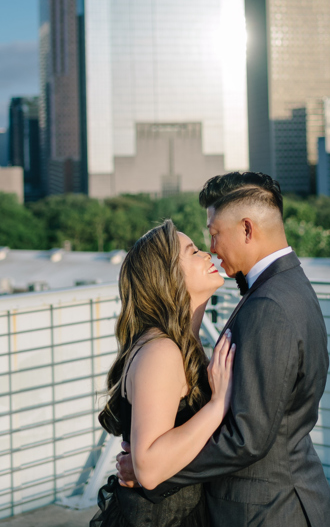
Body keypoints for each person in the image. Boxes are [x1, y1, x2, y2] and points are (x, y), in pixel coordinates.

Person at [117, 172, 330, 526]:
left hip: (270, 510)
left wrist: (150, 473)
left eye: (214, 233)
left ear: (247, 229)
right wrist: (150, 466)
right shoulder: (285, 287)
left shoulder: (270, 306)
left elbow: (248, 438)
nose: (212, 248)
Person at [92, 219, 236, 527]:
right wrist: (218, 403)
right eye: (193, 251)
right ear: (167, 276)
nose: (206, 254)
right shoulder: (162, 352)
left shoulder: (181, 344)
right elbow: (150, 467)